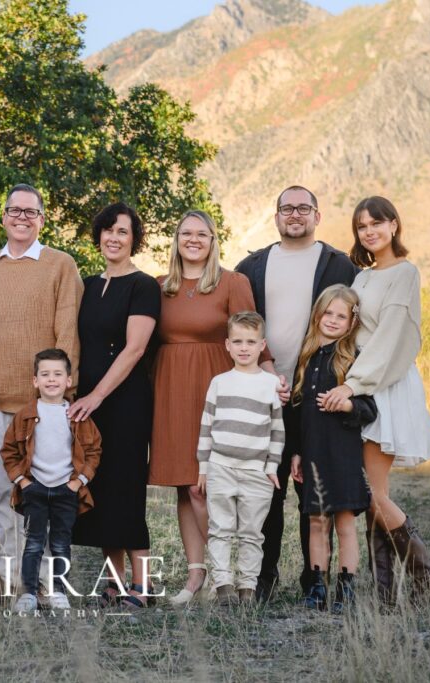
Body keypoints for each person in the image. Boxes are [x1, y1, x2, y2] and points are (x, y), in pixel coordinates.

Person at [317, 197, 430, 605]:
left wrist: (354, 384)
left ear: (394, 225)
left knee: (371, 494)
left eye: (377, 223)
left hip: (384, 383)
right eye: (362, 227)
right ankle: (384, 594)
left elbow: (393, 335)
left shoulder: (405, 273)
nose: (369, 232)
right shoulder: (362, 278)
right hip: (359, 383)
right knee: (371, 493)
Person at [235, 185, 357, 601]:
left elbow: (357, 324)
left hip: (317, 396)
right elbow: (237, 323)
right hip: (265, 393)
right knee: (266, 490)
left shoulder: (340, 265)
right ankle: (263, 578)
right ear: (276, 217)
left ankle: (315, 580)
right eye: (287, 208)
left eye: (304, 208)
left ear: (317, 216)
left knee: (315, 493)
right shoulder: (252, 265)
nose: (295, 215)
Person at [150, 210, 269, 607]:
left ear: (214, 240)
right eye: (186, 233)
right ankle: (196, 575)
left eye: (202, 233)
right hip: (170, 390)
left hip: (216, 389)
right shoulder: (159, 286)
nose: (194, 240)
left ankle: (228, 574)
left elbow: (252, 336)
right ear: (176, 239)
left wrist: (270, 380)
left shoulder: (232, 282)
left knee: (206, 487)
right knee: (186, 486)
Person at [0, 184, 83, 593]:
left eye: (30, 212)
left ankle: (46, 579)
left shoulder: (60, 265)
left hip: (44, 401)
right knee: (6, 489)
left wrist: (62, 393)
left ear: (41, 219)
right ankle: (10, 576)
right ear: (2, 217)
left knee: (47, 491)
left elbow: (67, 329)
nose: (21, 218)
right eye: (13, 211)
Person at [69, 202, 160, 609]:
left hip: (123, 402)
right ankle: (115, 583)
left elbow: (134, 349)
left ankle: (143, 585)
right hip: (88, 401)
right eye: (107, 230)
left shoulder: (143, 286)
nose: (113, 237)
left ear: (133, 239)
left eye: (122, 231)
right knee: (100, 488)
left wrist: (97, 396)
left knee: (126, 488)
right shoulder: (87, 284)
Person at [288, 285, 377, 613]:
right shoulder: (306, 356)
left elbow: (369, 409)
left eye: (342, 316)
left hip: (343, 456)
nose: (333, 320)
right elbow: (298, 411)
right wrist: (296, 452)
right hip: (312, 454)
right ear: (318, 315)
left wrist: (347, 406)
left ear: (352, 322)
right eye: (328, 313)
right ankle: (317, 586)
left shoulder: (352, 360)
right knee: (316, 523)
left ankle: (347, 586)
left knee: (344, 524)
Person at [0, 348, 103, 612]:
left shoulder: (77, 416)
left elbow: (93, 450)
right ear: (35, 381)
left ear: (69, 380)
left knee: (60, 543)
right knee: (33, 543)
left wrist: (78, 482)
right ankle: (29, 593)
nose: (51, 379)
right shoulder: (25, 415)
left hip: (65, 490)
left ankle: (59, 591)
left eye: (58, 374)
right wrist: (22, 482)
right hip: (34, 489)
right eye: (44, 374)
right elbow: (9, 450)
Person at [196, 311, 284, 606]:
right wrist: (203, 468)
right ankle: (223, 586)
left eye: (250, 341)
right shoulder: (219, 382)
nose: (244, 347)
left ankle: (247, 588)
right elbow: (206, 425)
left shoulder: (271, 384)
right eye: (237, 341)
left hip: (256, 470)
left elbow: (277, 430)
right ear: (227, 345)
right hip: (221, 466)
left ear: (262, 345)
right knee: (219, 528)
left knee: (251, 532)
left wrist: (271, 466)